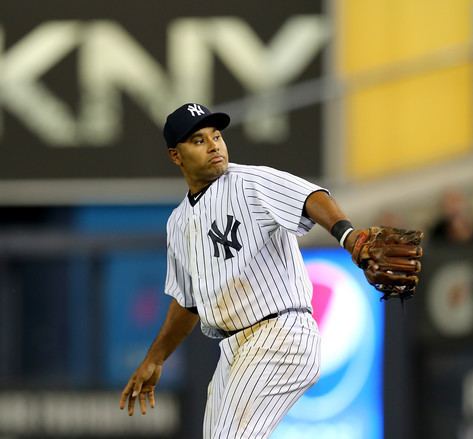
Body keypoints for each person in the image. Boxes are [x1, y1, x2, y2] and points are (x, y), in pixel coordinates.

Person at [118, 103, 386, 438]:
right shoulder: (178, 223)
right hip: (235, 349)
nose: (214, 144)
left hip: (280, 332)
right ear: (176, 156)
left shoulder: (248, 181)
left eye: (216, 136)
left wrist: (348, 236)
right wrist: (155, 358)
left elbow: (309, 196)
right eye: (198, 140)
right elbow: (189, 303)